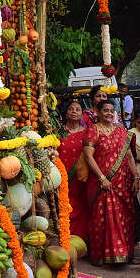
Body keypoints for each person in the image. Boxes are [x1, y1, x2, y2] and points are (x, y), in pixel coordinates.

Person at [83, 99, 138, 265]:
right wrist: (102, 178)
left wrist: (136, 177)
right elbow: (88, 156)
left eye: (111, 110)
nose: (108, 113)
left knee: (125, 217)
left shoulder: (121, 132)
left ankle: (125, 253)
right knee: (103, 217)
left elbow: (128, 156)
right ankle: (102, 255)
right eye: (105, 110)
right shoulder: (93, 131)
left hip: (122, 182)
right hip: (101, 183)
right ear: (98, 112)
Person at [58, 98, 94, 243]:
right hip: (62, 179)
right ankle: (65, 241)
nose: (74, 112)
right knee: (65, 208)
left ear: (82, 114)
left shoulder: (88, 133)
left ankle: (80, 242)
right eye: (71, 109)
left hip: (81, 180)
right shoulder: (58, 132)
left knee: (82, 209)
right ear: (66, 113)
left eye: (78, 109)